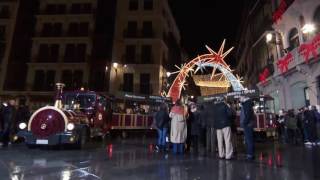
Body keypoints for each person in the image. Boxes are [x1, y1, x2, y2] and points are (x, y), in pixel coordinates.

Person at [240, 96, 255, 160]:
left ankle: (250, 155)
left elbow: (247, 115)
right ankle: (250, 154)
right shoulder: (247, 104)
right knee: (248, 140)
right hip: (249, 124)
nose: (240, 99)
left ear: (244, 98)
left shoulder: (247, 104)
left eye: (240, 98)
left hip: (247, 125)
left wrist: (244, 123)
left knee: (249, 140)